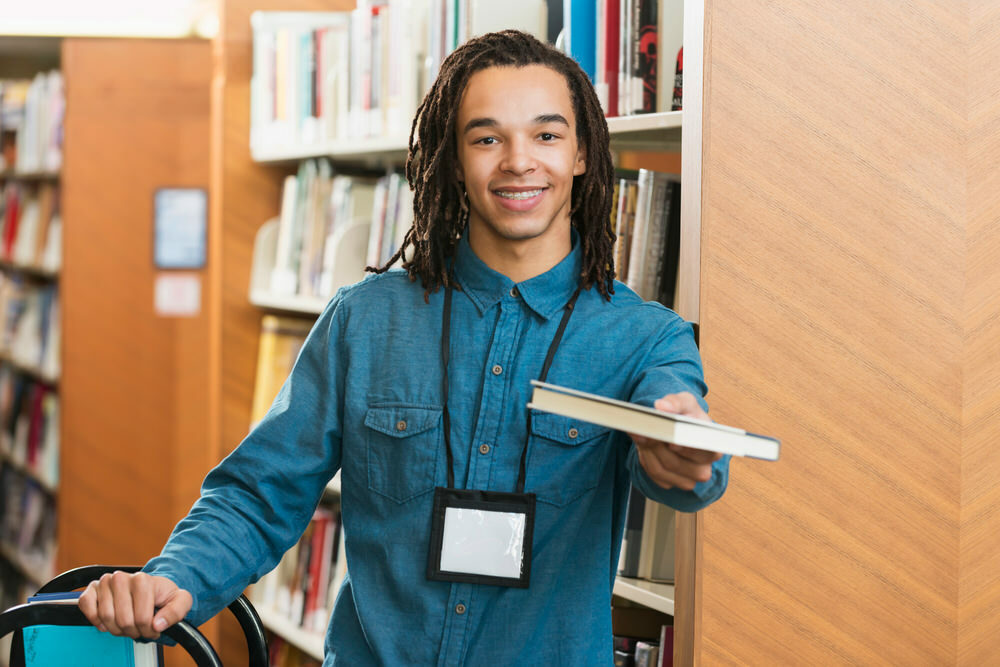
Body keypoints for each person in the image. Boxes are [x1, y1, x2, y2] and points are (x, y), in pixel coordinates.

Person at [79, 29, 729, 664]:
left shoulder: (646, 339)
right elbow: (258, 491)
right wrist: (177, 577)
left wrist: (683, 450)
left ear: (583, 152)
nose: (518, 160)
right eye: (487, 137)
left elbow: (687, 452)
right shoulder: (362, 321)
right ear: (454, 155)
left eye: (546, 134)